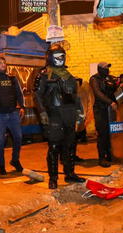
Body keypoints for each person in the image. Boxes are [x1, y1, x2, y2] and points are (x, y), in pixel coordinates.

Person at [34, 45, 86, 189]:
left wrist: (79, 112)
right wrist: (43, 112)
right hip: (54, 114)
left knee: (70, 146)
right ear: (50, 57)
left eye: (62, 56)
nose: (60, 59)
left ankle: (70, 174)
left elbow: (75, 96)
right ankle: (53, 178)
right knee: (54, 146)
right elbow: (37, 96)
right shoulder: (44, 75)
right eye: (57, 56)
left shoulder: (69, 75)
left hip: (69, 113)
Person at [0, 56, 25, 176]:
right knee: (1, 141)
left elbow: (19, 93)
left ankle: (15, 160)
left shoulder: (12, 79)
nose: (3, 65)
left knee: (18, 137)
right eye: (0, 63)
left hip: (13, 113)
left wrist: (22, 106)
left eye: (4, 63)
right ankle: (1, 166)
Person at [89, 62, 117, 167]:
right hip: (100, 109)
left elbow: (114, 92)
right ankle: (102, 158)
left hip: (109, 109)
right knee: (102, 134)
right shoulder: (94, 79)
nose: (107, 69)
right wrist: (110, 102)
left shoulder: (109, 78)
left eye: (108, 67)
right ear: (99, 68)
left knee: (110, 134)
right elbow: (98, 93)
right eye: (105, 67)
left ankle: (109, 155)